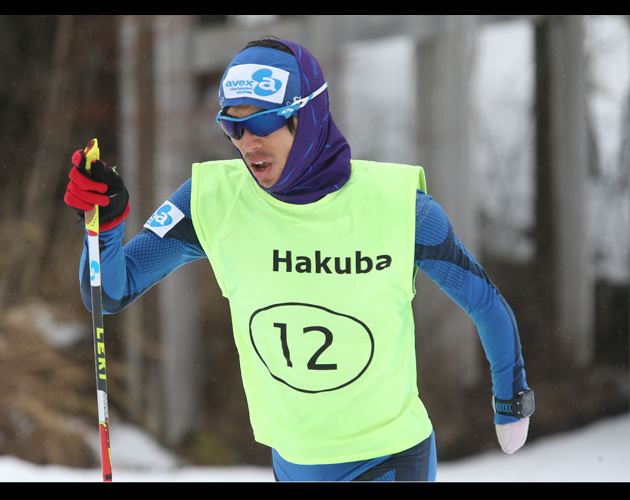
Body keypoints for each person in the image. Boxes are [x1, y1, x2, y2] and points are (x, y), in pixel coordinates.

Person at [64, 37, 534, 482]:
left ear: (306, 116)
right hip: (291, 462)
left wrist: (510, 399)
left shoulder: (399, 209)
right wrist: (106, 222)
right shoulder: (212, 201)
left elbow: (486, 304)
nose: (247, 141)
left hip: (388, 458)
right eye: (233, 125)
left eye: (264, 122)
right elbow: (109, 292)